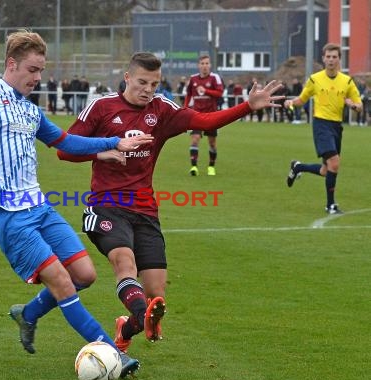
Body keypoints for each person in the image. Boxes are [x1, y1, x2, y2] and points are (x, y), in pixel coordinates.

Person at [0, 30, 154, 377]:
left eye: (41, 70)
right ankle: (111, 352)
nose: (38, 78)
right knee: (62, 283)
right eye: (33, 70)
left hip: (39, 207)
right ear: (11, 64)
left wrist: (112, 144)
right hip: (9, 214)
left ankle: (29, 314)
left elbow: (65, 141)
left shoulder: (30, 111)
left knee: (85, 274)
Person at [57, 52, 283, 353]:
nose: (148, 89)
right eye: (141, 82)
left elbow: (203, 120)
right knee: (125, 263)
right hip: (106, 205)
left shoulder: (161, 109)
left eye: (154, 83)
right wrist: (102, 151)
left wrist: (247, 106)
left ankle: (126, 328)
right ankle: (135, 322)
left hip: (145, 210)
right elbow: (65, 149)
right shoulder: (102, 107)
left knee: (156, 295)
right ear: (127, 78)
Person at [284, 43, 362, 215]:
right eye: (328, 56)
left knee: (327, 170)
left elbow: (359, 105)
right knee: (335, 163)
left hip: (336, 127)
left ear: (339, 59)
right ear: (323, 58)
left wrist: (353, 105)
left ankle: (298, 167)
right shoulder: (315, 79)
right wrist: (291, 102)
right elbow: (302, 99)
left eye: (335, 57)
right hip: (321, 124)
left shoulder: (347, 81)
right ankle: (330, 205)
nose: (331, 60)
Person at [184, 54, 224, 176]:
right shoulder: (193, 79)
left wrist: (206, 91)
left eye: (207, 63)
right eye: (202, 64)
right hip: (196, 115)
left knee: (212, 142)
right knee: (195, 140)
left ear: (210, 65)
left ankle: (211, 167)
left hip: (212, 115)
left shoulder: (215, 78)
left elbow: (220, 93)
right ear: (198, 65)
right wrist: (185, 108)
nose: (205, 66)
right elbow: (189, 94)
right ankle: (194, 167)